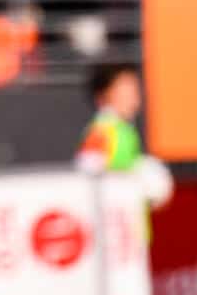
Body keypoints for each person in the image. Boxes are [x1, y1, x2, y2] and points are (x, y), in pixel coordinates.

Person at [74, 64, 173, 207]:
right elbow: (86, 174)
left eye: (135, 90)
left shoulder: (124, 130)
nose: (134, 98)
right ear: (103, 95)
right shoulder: (104, 130)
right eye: (126, 90)